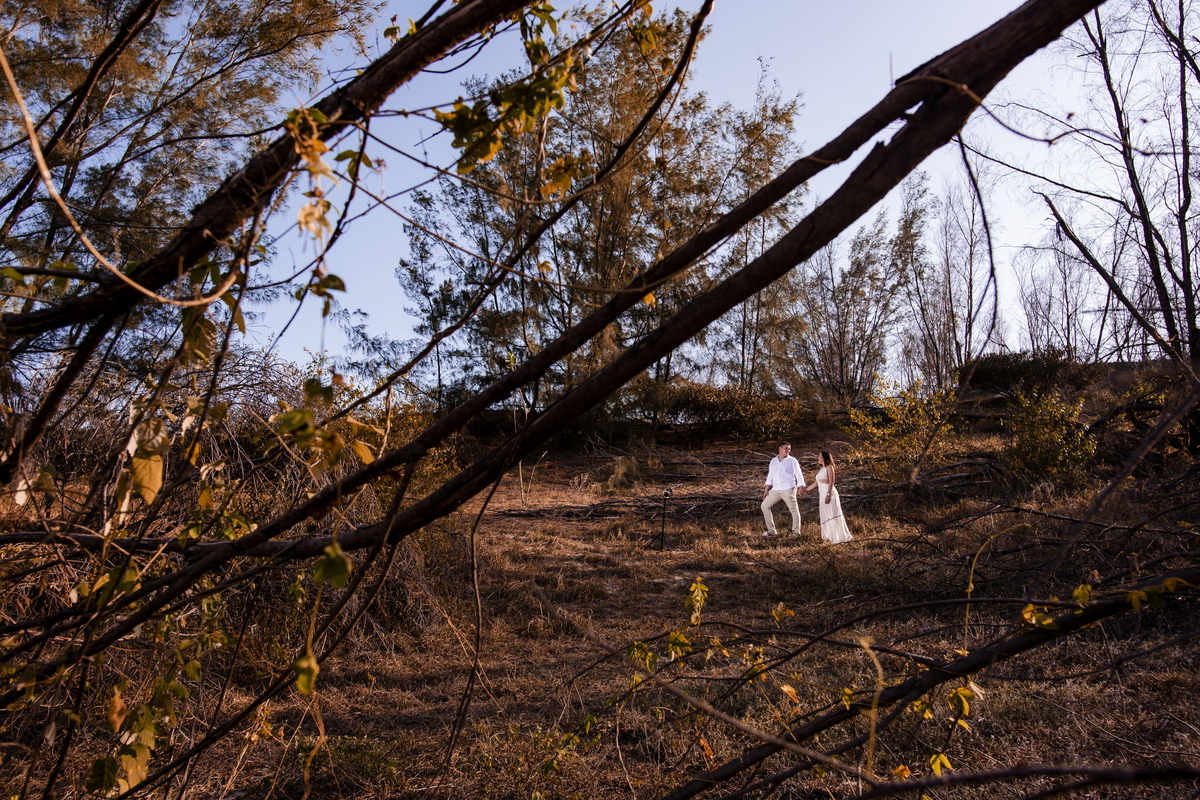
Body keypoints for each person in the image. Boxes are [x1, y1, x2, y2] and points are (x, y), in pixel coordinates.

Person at [804, 450, 852, 544]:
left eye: (819, 456)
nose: (818, 458)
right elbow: (815, 484)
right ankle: (828, 536)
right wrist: (805, 490)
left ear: (824, 458)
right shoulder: (821, 469)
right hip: (822, 494)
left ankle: (837, 537)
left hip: (829, 494)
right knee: (825, 515)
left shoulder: (829, 467)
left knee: (832, 514)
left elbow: (831, 482)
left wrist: (828, 494)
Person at [761, 442, 804, 538]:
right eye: (786, 448)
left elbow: (798, 474)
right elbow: (770, 475)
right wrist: (766, 489)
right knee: (764, 505)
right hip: (776, 489)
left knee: (794, 510)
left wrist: (801, 486)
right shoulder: (773, 461)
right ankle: (771, 531)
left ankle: (796, 533)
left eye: (789, 449)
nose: (788, 450)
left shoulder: (792, 461)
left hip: (788, 489)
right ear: (780, 448)